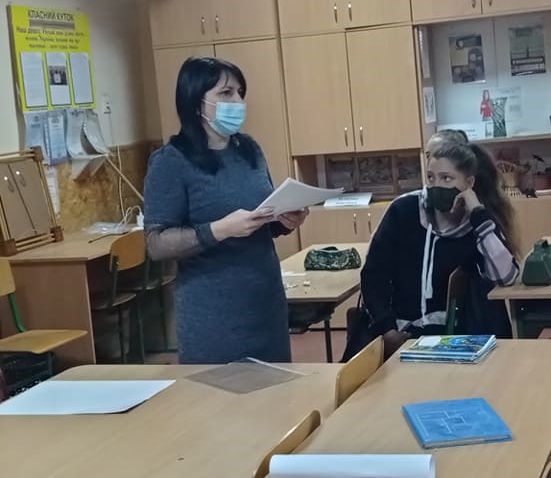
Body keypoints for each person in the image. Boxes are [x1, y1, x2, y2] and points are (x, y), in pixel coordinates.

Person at [143, 57, 308, 364]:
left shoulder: (249, 150)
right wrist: (220, 230)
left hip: (265, 304)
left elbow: (262, 219)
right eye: (226, 93)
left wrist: (284, 220)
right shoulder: (171, 161)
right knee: (221, 392)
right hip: (213, 315)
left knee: (277, 389)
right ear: (196, 102)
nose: (238, 101)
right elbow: (156, 244)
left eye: (240, 92)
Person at [343, 141, 520, 360]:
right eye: (431, 178)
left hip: (454, 337)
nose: (436, 186)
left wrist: (478, 215)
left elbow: (506, 276)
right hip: (397, 330)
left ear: (469, 183)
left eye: (447, 178)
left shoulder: (478, 221)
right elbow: (373, 274)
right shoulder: (404, 210)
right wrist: (386, 328)